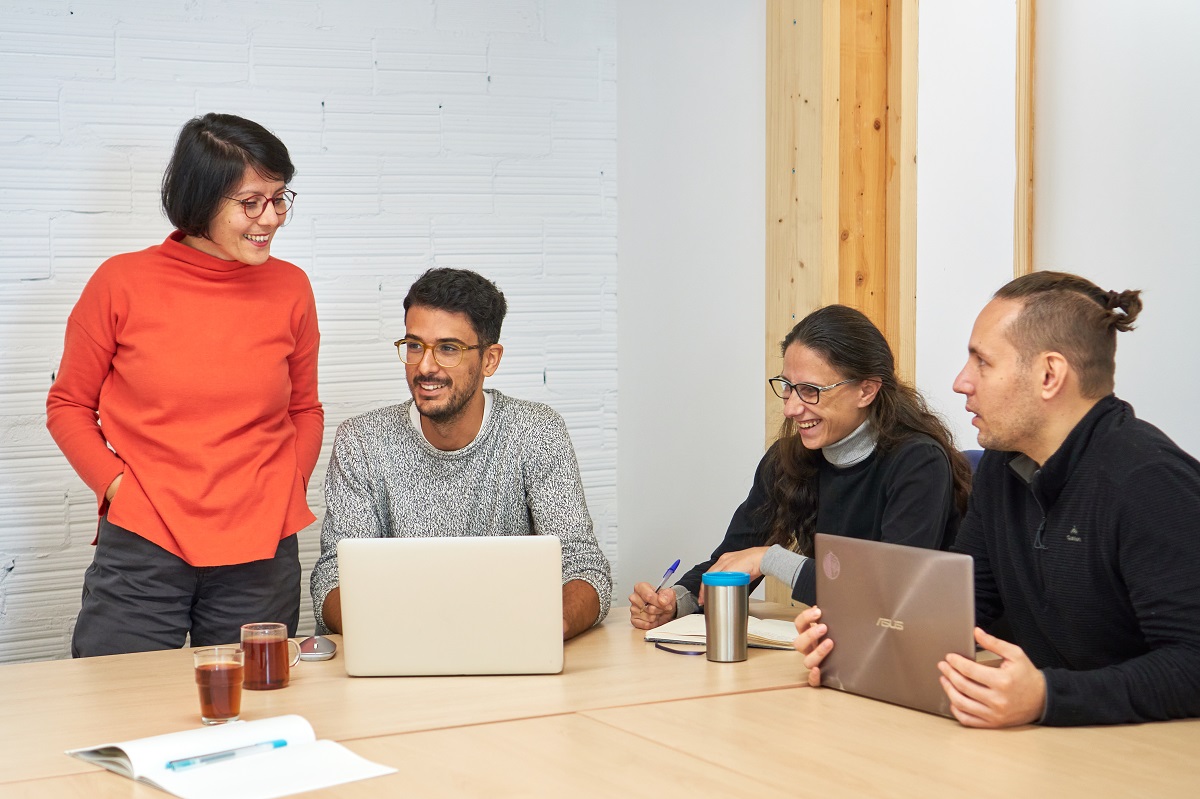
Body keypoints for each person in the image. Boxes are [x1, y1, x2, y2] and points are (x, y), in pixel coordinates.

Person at [796, 271, 1200, 727]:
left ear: (1049, 375)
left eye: (982, 362)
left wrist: (1047, 696)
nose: (960, 382)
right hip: (1057, 740)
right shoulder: (1002, 469)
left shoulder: (1150, 481)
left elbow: (1193, 663)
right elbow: (965, 609)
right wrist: (852, 640)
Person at [46, 113, 322, 657]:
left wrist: (288, 483)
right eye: (251, 202)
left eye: (279, 198)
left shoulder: (291, 288)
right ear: (202, 199)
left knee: (254, 702)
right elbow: (69, 404)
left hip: (260, 550)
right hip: (144, 542)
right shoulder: (121, 282)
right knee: (118, 696)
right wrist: (116, 487)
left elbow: (304, 408)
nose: (271, 218)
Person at [310, 267, 612, 640]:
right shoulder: (362, 442)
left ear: (490, 360)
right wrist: (405, 635)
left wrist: (545, 630)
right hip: (398, 649)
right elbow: (334, 579)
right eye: (415, 345)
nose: (425, 366)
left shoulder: (536, 432)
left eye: (448, 349)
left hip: (510, 646)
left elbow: (583, 567)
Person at [629, 305, 971, 629]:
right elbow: (734, 558)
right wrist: (676, 602)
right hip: (838, 644)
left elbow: (888, 593)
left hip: (916, 648)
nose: (791, 408)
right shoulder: (786, 459)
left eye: (810, 390)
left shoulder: (918, 462)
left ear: (866, 390)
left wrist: (770, 559)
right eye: (788, 387)